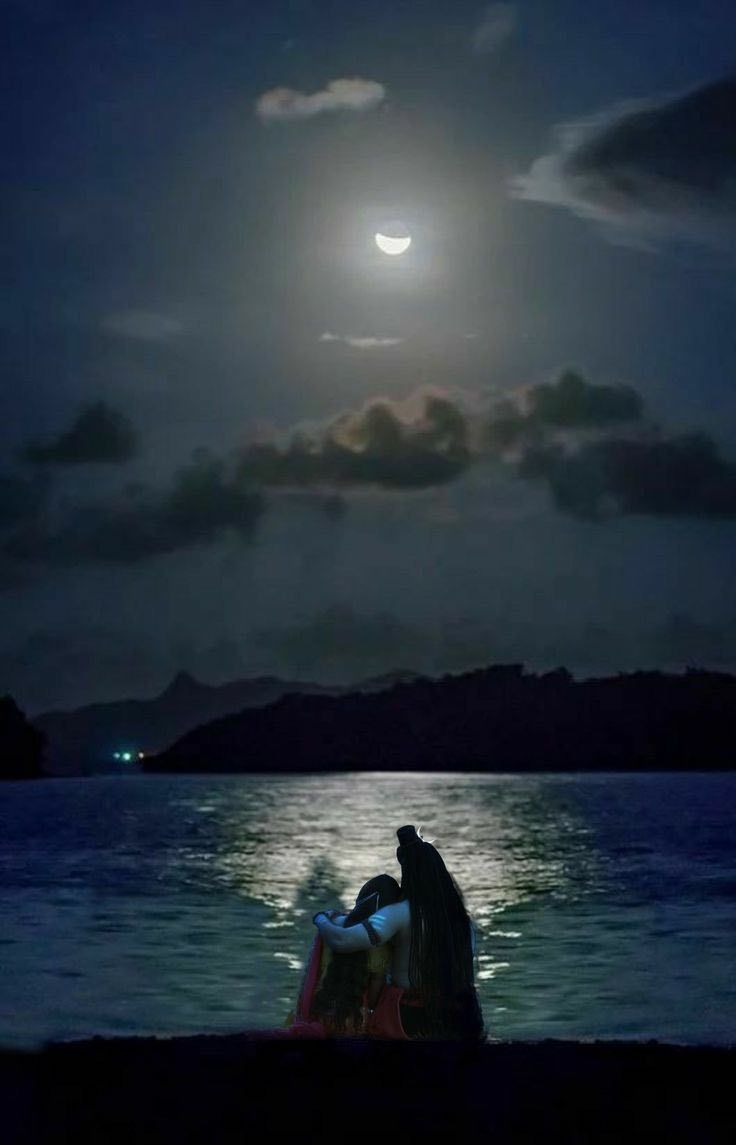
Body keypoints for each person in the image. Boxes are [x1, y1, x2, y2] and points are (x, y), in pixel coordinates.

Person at [313, 825, 484, 1040]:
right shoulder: (463, 920)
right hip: (464, 1019)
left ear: (408, 874)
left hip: (411, 1019)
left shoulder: (401, 913)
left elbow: (341, 940)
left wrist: (321, 918)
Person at [289, 873, 401, 1037]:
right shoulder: (380, 945)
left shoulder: (332, 923)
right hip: (354, 1023)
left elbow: (313, 973)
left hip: (318, 1011)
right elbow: (373, 999)